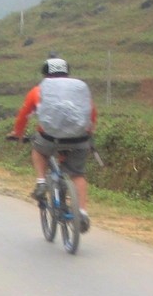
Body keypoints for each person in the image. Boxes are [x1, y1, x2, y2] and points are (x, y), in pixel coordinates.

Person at [9, 57, 97, 231]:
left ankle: (41, 182)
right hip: (79, 139)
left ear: (45, 73)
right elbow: (91, 113)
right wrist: (88, 133)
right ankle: (82, 213)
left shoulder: (38, 90)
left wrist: (17, 133)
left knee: (38, 148)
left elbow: (24, 115)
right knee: (77, 175)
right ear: (67, 72)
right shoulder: (79, 90)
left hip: (49, 138)